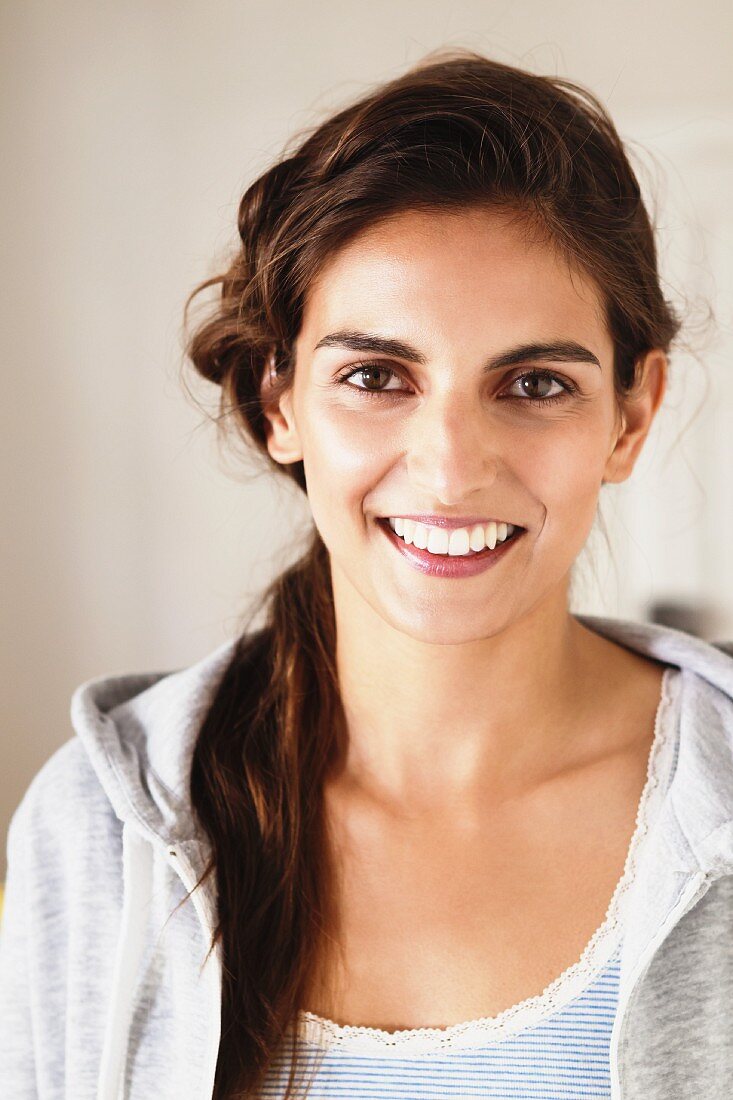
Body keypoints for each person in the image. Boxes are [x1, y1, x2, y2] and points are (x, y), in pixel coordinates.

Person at [2, 47, 733, 1100]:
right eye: (375, 375)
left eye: (532, 382)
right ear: (279, 401)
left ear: (630, 413)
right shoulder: (96, 831)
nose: (449, 467)